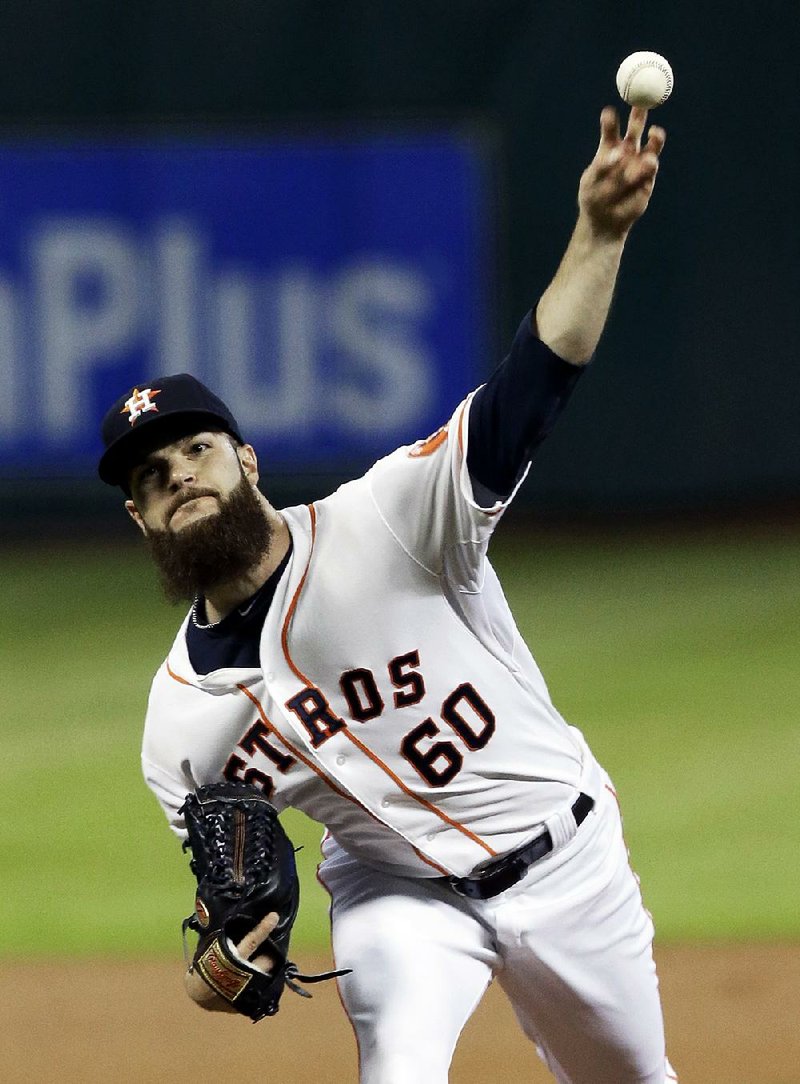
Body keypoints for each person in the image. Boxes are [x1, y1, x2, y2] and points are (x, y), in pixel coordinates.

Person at [99, 105, 677, 1083]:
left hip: (566, 857)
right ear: (141, 519)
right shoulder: (179, 723)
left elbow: (528, 386)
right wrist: (225, 958)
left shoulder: (389, 518)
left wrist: (600, 231)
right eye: (150, 477)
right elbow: (217, 944)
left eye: (195, 449)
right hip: (398, 898)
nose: (179, 476)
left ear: (244, 458)